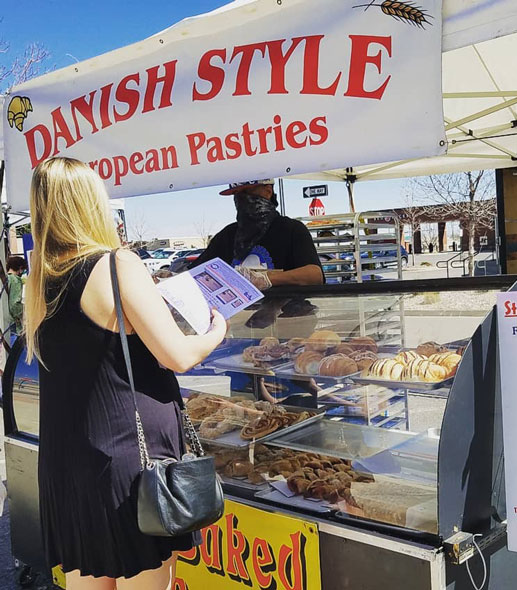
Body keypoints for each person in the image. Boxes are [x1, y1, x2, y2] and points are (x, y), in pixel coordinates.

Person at [24, 157, 227, 590]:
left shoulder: (37, 278)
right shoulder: (116, 265)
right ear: (90, 202)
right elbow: (177, 355)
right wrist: (217, 331)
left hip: (67, 461)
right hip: (131, 463)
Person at [190, 180, 323, 288]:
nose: (241, 199)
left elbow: (315, 275)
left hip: (288, 316)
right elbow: (195, 272)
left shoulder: (291, 229)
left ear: (268, 191)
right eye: (237, 194)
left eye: (247, 192)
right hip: (242, 318)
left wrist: (267, 279)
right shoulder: (228, 235)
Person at [6, 255, 27, 333]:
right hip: (13, 324)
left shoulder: (6, 279)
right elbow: (14, 304)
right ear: (20, 268)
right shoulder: (16, 280)